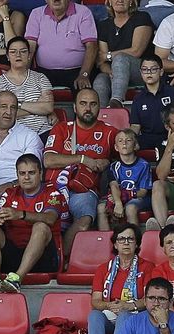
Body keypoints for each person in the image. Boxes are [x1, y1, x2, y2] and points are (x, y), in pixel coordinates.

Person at [0, 154, 65, 293]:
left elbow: (50, 218)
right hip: (14, 255)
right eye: (22, 173)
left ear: (40, 173)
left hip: (44, 258)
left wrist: (21, 214)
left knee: (40, 226)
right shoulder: (10, 192)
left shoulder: (52, 192)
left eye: (31, 173)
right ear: (17, 175)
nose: (26, 177)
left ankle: (16, 279)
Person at [43, 88, 117, 242]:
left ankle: (65, 260)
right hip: (54, 188)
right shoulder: (61, 128)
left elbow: (125, 160)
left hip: (84, 191)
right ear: (75, 107)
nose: (88, 108)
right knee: (43, 223)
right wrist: (82, 159)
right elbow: (48, 160)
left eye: (93, 104)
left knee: (84, 224)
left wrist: (108, 161)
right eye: (83, 104)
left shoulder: (110, 132)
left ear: (99, 107)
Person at [25, 0, 97, 90]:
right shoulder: (36, 13)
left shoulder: (83, 12)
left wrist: (84, 74)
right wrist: (24, 75)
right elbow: (30, 47)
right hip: (44, 73)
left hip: (76, 72)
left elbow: (92, 46)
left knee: (84, 94)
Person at [0, 37, 55, 137]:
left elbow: (48, 107)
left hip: (43, 132)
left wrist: (17, 106)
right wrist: (37, 106)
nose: (18, 55)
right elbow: (1, 115)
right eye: (13, 52)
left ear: (29, 55)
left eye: (23, 51)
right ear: (7, 56)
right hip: (13, 135)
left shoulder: (41, 78)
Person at [94, 0, 154, 105]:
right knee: (100, 80)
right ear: (109, 2)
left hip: (142, 70)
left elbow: (136, 51)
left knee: (121, 58)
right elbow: (101, 61)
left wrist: (108, 56)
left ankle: (116, 102)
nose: (120, 0)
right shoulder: (103, 25)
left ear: (131, 2)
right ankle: (101, 116)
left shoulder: (142, 18)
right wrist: (113, 73)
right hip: (114, 72)